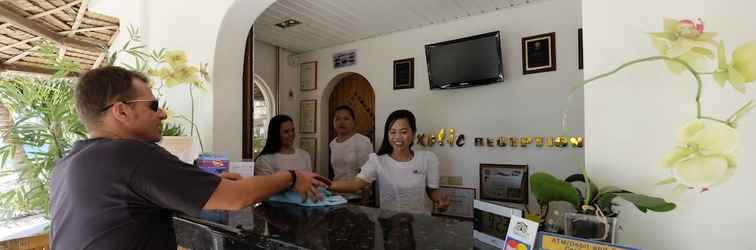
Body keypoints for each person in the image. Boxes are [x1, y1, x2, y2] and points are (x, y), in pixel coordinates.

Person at [50, 66, 328, 249]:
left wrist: (208, 182)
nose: (163, 114)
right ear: (121, 112)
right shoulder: (132, 153)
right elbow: (235, 198)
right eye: (154, 106)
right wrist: (291, 178)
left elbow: (131, 203)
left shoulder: (66, 164)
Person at [329, 109, 449, 214]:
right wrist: (322, 184)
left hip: (420, 223)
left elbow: (432, 191)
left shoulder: (428, 158)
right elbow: (354, 185)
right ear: (387, 134)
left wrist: (440, 200)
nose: (397, 137)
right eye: (392, 132)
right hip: (390, 224)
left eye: (403, 132)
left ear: (413, 134)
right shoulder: (377, 161)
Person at [329, 105, 373, 202]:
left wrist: (365, 204)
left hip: (356, 198)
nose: (341, 122)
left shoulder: (362, 141)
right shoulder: (332, 143)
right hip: (336, 197)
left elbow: (368, 175)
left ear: (353, 122)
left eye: (346, 119)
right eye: (337, 119)